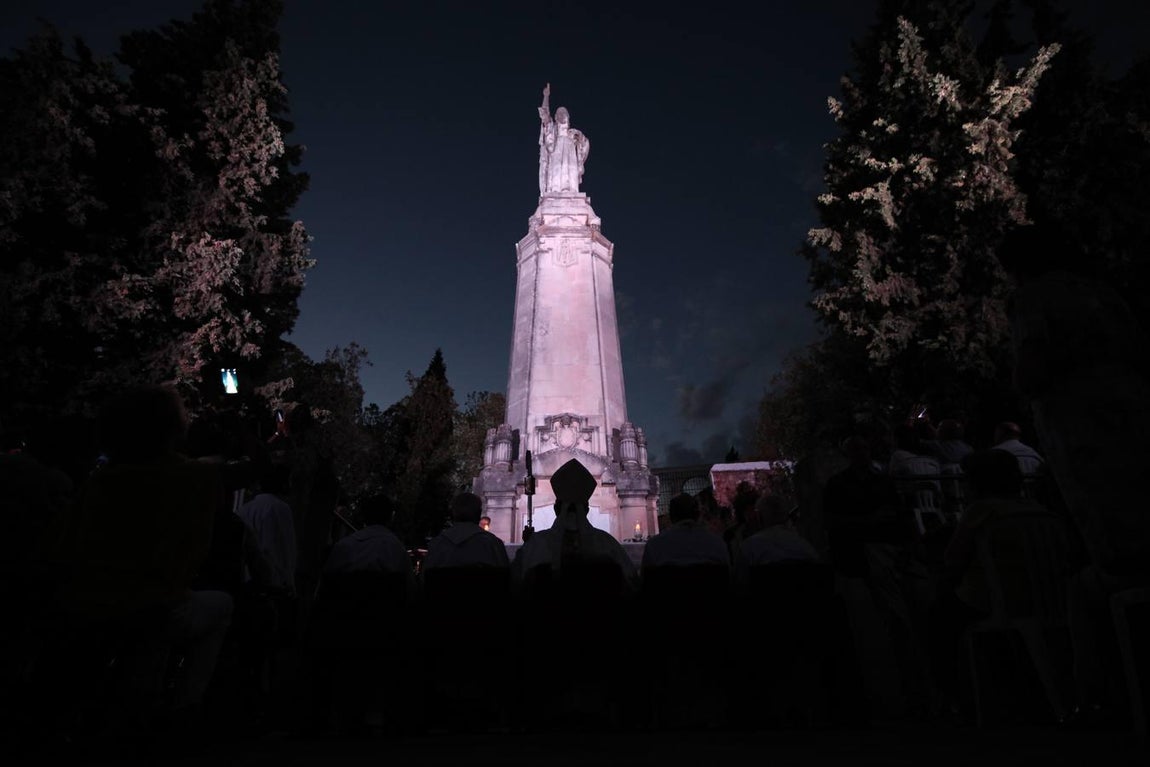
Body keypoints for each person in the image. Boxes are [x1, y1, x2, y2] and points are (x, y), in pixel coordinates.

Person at [53, 385, 234, 715]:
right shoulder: (197, 476)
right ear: (173, 428)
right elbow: (196, 549)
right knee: (221, 604)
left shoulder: (100, 481)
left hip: (87, 599)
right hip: (154, 600)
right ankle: (184, 707)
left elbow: (67, 542)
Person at [511, 458, 637, 596]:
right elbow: (631, 585)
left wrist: (528, 544)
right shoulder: (608, 545)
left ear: (556, 509)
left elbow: (515, 586)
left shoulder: (535, 545)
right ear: (586, 510)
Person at [421, 493, 510, 572]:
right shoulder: (493, 545)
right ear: (479, 514)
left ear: (452, 514)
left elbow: (424, 583)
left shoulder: (436, 545)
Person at [641, 493, 730, 571]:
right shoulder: (716, 544)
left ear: (671, 517)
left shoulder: (654, 546)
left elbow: (645, 582)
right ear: (698, 515)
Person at [537, 83, 590, 195]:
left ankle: (571, 193)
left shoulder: (573, 134)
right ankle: (555, 193)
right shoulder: (554, 133)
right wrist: (546, 96)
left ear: (568, 117)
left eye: (564, 113)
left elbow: (585, 145)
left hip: (570, 150)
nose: (562, 115)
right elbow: (545, 116)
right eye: (559, 113)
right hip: (557, 149)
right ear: (555, 117)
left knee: (570, 173)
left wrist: (580, 137)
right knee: (556, 175)